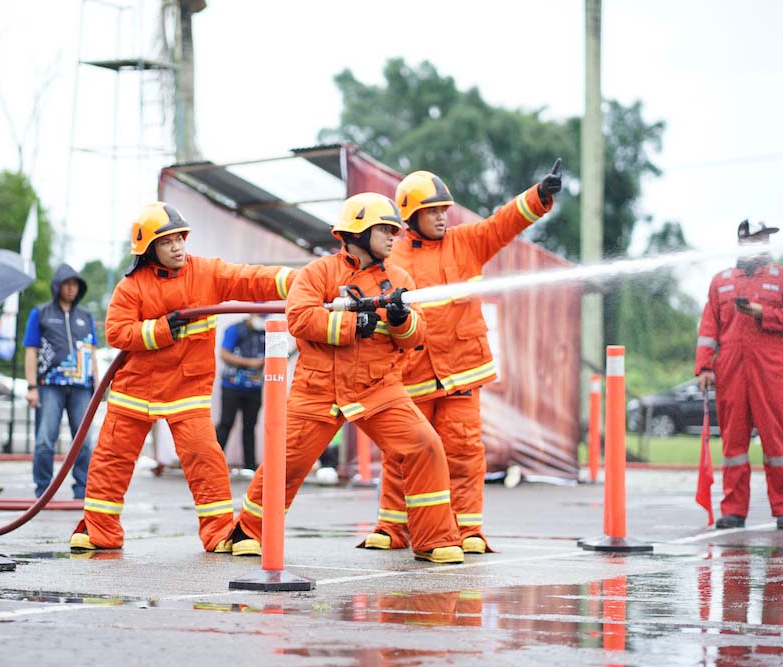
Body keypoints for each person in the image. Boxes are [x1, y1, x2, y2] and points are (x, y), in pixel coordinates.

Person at [230, 192, 464, 564]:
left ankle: (434, 538)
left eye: (394, 230)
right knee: (284, 463)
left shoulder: (399, 279)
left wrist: (402, 320)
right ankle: (248, 530)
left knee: (425, 447)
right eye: (385, 230)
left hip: (379, 388)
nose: (393, 237)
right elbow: (300, 318)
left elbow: (416, 337)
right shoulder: (319, 273)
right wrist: (355, 323)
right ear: (358, 232)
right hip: (318, 389)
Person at [69, 202, 295, 554]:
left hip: (186, 391)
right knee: (110, 461)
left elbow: (250, 279)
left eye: (180, 238)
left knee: (206, 461)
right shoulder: (131, 288)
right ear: (148, 250)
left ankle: (220, 534)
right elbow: (116, 332)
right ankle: (100, 531)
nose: (177, 247)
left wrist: (303, 283)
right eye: (167, 241)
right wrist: (160, 329)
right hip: (135, 391)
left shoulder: (206, 273)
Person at [362, 162, 561, 554]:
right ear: (410, 216)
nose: (441, 217)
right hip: (411, 374)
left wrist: (538, 195)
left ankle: (467, 529)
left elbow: (503, 223)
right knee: (402, 452)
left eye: (443, 210)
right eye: (432, 210)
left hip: (462, 372)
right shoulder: (390, 257)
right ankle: (392, 527)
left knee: (464, 450)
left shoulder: (468, 241)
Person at [696, 220, 783, 530]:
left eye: (766, 239)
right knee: (733, 446)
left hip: (770, 374)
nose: (764, 244)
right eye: (759, 239)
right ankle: (733, 511)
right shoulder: (721, 282)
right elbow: (709, 328)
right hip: (731, 374)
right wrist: (704, 366)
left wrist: (764, 313)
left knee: (778, 442)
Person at [23, 263, 99, 499]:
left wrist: (97, 385)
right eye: (66, 284)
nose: (71, 289)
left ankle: (82, 490)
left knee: (84, 441)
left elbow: (92, 351)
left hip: (81, 388)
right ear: (57, 286)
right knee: (45, 440)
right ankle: (43, 491)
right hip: (49, 387)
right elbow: (31, 351)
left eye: (75, 284)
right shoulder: (40, 313)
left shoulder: (86, 316)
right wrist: (32, 386)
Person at [215, 314, 267, 473]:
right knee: (225, 424)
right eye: (260, 315)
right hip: (232, 385)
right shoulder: (235, 329)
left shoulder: (266, 334)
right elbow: (224, 354)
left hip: (255, 388)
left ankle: (249, 466)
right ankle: (213, 464)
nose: (262, 319)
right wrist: (250, 363)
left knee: (250, 427)